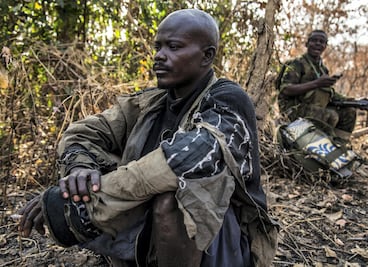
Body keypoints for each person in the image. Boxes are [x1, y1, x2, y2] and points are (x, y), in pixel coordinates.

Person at [18, 9, 278, 267]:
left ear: (207, 56)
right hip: (156, 242)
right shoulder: (150, 102)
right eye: (158, 47)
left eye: (173, 47)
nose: (159, 56)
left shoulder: (227, 99)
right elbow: (82, 132)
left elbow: (185, 160)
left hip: (226, 248)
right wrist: (80, 171)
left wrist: (81, 205)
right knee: (98, 171)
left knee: (173, 198)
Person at [276, 29, 357, 143]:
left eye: (322, 41)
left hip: (313, 106)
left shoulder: (323, 69)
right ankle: (319, 146)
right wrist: (316, 83)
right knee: (331, 115)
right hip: (293, 109)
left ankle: (339, 146)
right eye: (314, 40)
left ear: (325, 46)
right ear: (307, 43)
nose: (318, 44)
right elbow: (286, 90)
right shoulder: (296, 64)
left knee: (349, 112)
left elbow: (330, 93)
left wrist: (354, 102)